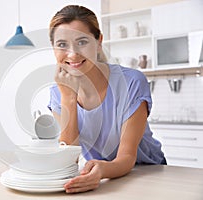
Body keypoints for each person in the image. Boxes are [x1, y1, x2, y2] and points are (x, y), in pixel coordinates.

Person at [47, 5, 166, 194]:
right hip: (104, 177)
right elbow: (70, 159)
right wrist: (69, 97)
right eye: (62, 44)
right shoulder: (58, 91)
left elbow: (126, 157)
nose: (72, 54)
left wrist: (102, 170)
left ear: (98, 41)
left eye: (82, 42)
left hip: (148, 172)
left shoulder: (131, 82)